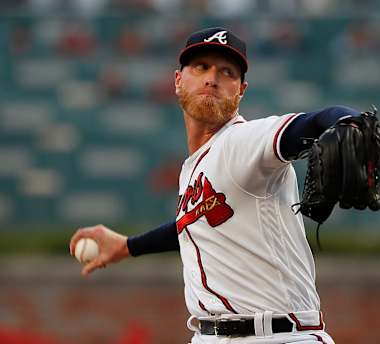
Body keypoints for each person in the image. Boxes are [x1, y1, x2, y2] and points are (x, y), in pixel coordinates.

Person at [70, 27, 363, 344]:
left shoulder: (242, 142)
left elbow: (316, 120)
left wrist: (347, 122)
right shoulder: (196, 167)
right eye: (201, 67)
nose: (212, 78)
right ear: (178, 80)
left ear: (241, 91)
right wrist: (128, 246)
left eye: (227, 72)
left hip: (279, 337)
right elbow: (193, 224)